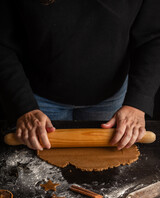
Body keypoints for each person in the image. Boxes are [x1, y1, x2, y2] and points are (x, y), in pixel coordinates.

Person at [0, 0, 160, 151]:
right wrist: (24, 106)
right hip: (36, 98)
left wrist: (138, 102)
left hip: (111, 97)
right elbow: (3, 45)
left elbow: (153, 38)